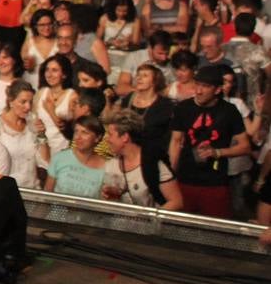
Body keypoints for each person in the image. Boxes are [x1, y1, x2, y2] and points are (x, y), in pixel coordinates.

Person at [168, 64, 252, 218]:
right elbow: (175, 142)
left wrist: (218, 152)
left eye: (205, 86)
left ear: (217, 90)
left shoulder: (229, 111)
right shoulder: (183, 108)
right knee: (182, 227)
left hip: (215, 182)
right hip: (185, 179)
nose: (198, 90)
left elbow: (245, 146)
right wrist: (171, 175)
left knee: (214, 229)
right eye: (197, 85)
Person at [102, 109, 183, 209]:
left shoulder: (152, 164)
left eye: (110, 134)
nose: (106, 139)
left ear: (125, 137)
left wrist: (150, 220)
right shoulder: (111, 164)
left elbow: (176, 202)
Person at [0, 80, 41, 189]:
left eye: (30, 102)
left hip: (32, 187)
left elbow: (44, 160)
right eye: (23, 102)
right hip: (7, 189)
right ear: (11, 101)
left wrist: (42, 134)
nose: (28, 107)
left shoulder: (33, 122)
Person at [45, 114, 107, 199]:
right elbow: (47, 195)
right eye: (76, 131)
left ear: (97, 138)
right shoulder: (60, 158)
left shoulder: (106, 168)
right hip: (58, 210)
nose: (78, 137)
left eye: (84, 132)